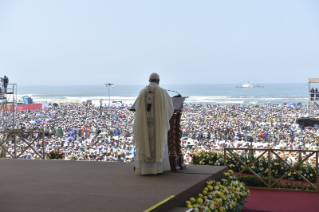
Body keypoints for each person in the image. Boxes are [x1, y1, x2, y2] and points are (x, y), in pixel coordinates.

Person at [133, 73, 174, 175]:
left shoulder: (142, 92)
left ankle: (144, 169)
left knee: (145, 141)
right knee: (158, 142)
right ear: (158, 81)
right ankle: (157, 169)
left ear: (149, 80)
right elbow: (169, 108)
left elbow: (138, 109)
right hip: (157, 126)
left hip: (144, 126)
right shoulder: (161, 92)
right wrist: (162, 118)